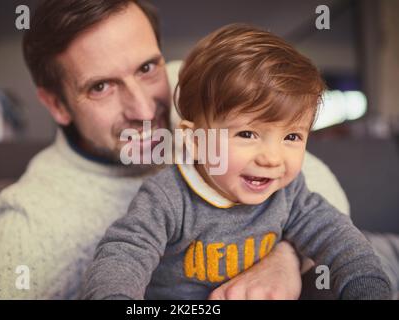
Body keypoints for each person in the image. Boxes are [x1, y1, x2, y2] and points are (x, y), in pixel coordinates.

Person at [0, 0, 356, 299]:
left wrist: (283, 261)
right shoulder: (38, 218)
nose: (145, 110)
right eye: (101, 86)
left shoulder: (194, 89)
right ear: (56, 104)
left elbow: (318, 187)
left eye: (146, 68)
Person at [81, 24, 392, 300]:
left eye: (292, 137)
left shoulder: (290, 193)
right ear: (195, 140)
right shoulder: (168, 197)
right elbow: (124, 254)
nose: (272, 158)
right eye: (247, 134)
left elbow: (341, 241)